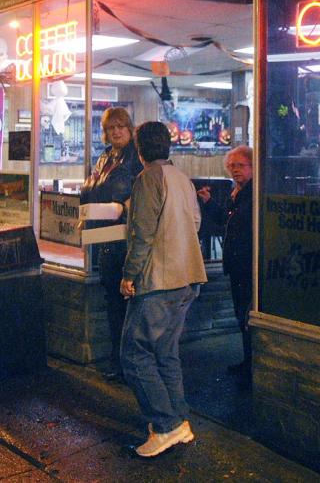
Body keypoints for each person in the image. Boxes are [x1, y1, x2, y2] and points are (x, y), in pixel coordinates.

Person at [119, 121, 207, 458]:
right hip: (187, 277)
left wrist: (129, 275)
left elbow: (142, 233)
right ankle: (178, 422)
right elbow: (195, 223)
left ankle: (165, 425)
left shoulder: (147, 179)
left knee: (134, 354)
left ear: (139, 149)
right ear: (167, 146)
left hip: (158, 280)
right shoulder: (181, 178)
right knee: (165, 352)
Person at [80, 106, 142, 381]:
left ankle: (128, 364)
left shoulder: (137, 158)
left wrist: (124, 208)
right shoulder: (105, 157)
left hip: (127, 242)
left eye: (120, 126)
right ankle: (118, 362)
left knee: (129, 305)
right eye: (111, 127)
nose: (116, 132)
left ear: (130, 129)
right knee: (113, 303)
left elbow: (141, 200)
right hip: (105, 238)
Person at [198, 145, 253, 385]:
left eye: (240, 165)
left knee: (247, 315)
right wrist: (209, 203)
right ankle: (247, 361)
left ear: (252, 166)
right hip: (237, 265)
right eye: (231, 166)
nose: (234, 170)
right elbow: (225, 223)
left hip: (248, 265)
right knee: (241, 316)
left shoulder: (252, 194)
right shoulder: (237, 193)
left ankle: (251, 364)